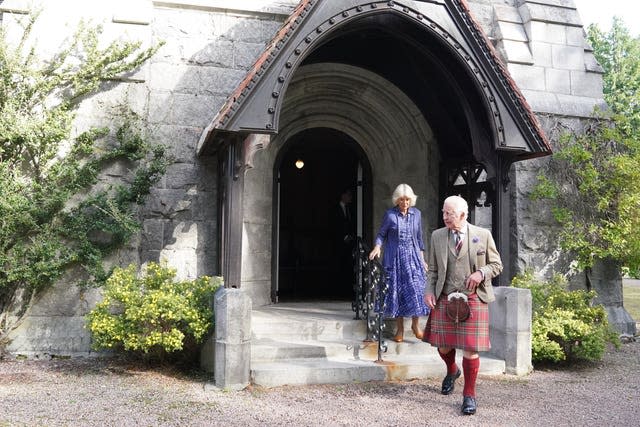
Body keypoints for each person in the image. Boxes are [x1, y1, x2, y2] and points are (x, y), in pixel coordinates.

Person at [422, 195, 503, 416]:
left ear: (463, 215)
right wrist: (428, 290)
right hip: (446, 296)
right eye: (443, 212)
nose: (445, 217)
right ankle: (452, 370)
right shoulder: (437, 236)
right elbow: (433, 270)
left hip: (474, 297)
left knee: (470, 349)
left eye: (449, 213)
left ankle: (469, 395)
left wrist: (481, 273)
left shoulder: (482, 235)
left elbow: (496, 265)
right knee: (443, 346)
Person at [368, 183, 430, 342]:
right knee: (398, 293)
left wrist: (422, 260)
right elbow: (382, 234)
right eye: (402, 200)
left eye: (408, 200)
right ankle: (400, 329)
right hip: (395, 259)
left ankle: (416, 326)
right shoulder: (390, 215)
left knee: (417, 290)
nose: (405, 203)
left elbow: (419, 239)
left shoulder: (417, 214)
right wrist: (377, 247)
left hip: (413, 258)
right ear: (397, 200)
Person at [331, 188, 356, 295]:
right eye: (348, 195)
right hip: (337, 243)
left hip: (348, 243)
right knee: (338, 266)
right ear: (343, 196)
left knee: (347, 266)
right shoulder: (335, 209)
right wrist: (343, 236)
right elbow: (334, 225)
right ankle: (337, 290)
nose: (350, 198)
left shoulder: (350, 209)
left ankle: (346, 290)